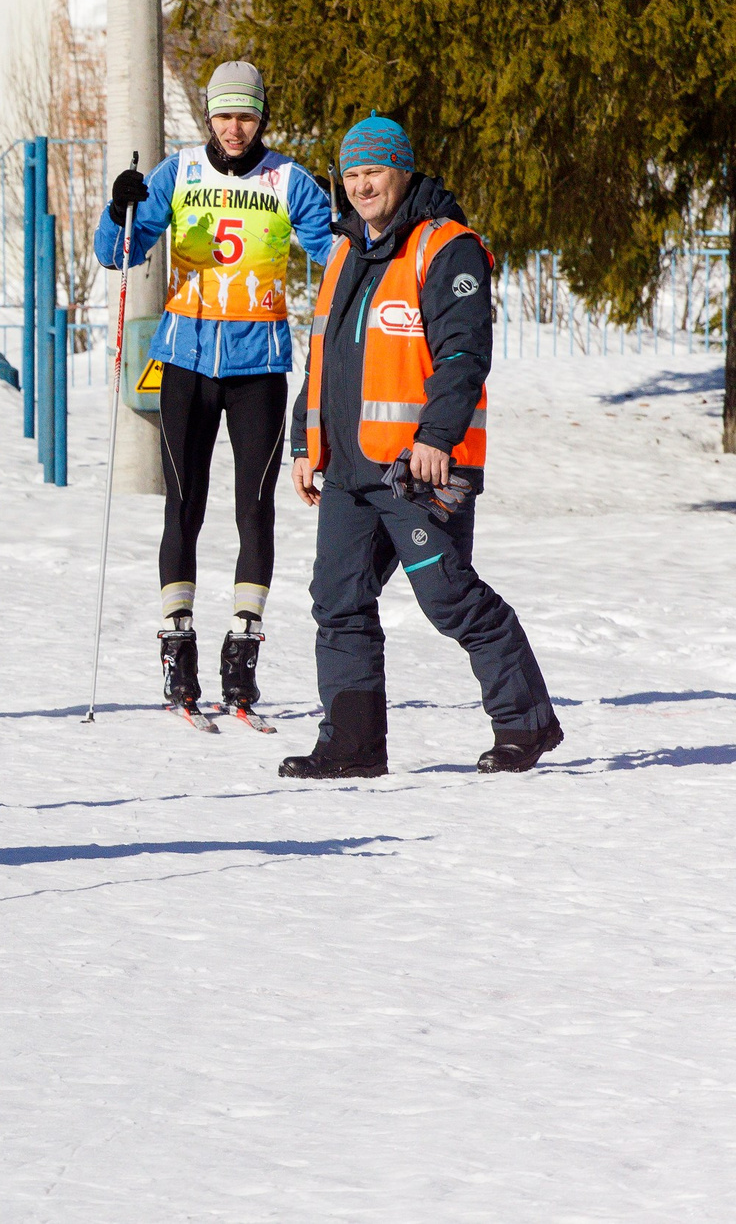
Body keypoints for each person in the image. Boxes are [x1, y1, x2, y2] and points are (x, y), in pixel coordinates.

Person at [280, 116, 562, 777]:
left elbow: (464, 352)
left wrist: (438, 436)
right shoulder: (347, 249)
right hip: (349, 467)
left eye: (373, 171)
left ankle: (527, 721)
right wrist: (303, 440)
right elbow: (322, 357)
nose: (362, 185)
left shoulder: (447, 246)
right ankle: (352, 744)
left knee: (447, 596)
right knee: (339, 598)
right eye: (351, 174)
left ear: (402, 170)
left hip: (418, 466)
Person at [94, 61, 335, 718]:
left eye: (247, 115)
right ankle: (178, 648)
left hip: (258, 365)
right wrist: (120, 207)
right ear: (209, 116)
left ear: (263, 117)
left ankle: (243, 649)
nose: (235, 128)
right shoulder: (179, 173)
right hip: (187, 361)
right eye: (225, 115)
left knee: (255, 506)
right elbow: (117, 251)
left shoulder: (289, 180)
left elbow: (336, 256)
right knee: (184, 504)